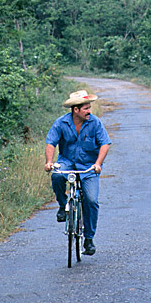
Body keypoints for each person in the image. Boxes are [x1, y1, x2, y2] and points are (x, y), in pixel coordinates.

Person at [44, 89, 111, 256]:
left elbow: (105, 144)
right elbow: (51, 143)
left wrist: (98, 164)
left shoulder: (95, 123)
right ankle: (62, 205)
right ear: (76, 110)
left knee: (91, 200)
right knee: (57, 176)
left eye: (89, 108)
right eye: (86, 108)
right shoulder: (61, 123)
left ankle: (88, 239)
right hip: (67, 162)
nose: (89, 111)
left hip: (89, 166)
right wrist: (49, 161)